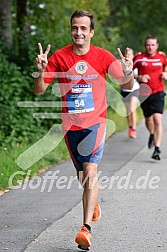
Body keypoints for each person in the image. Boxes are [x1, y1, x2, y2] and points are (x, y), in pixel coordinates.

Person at [34, 10, 134, 250]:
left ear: (91, 32)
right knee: (83, 176)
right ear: (72, 30)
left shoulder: (103, 56)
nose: (78, 32)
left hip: (96, 122)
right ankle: (94, 201)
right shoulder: (59, 57)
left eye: (83, 28)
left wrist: (128, 72)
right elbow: (39, 90)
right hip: (71, 126)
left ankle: (85, 229)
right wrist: (40, 71)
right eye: (75, 28)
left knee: (90, 170)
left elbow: (126, 85)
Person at [133, 35, 167, 160]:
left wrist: (166, 73)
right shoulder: (139, 58)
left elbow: (166, 66)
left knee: (157, 119)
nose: (150, 47)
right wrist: (140, 77)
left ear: (157, 46)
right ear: (145, 45)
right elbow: (129, 73)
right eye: (148, 45)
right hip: (144, 93)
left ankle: (157, 149)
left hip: (158, 91)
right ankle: (152, 134)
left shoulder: (162, 57)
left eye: (153, 45)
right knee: (148, 120)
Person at [121, 48, 140, 139]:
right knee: (128, 112)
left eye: (130, 54)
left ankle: (134, 129)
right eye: (126, 54)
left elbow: (138, 75)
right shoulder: (122, 65)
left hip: (135, 89)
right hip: (125, 91)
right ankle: (130, 127)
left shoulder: (136, 65)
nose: (128, 56)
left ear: (133, 56)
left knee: (132, 109)